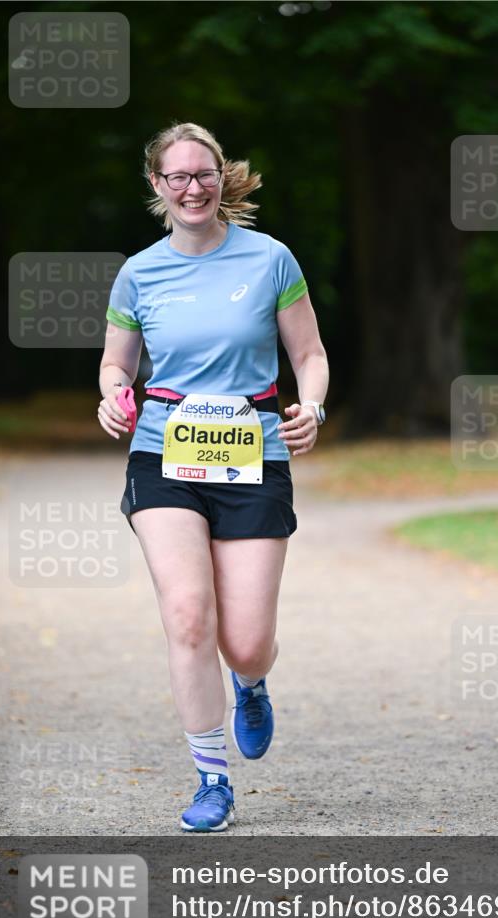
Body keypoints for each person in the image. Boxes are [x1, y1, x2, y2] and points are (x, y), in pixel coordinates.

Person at [97, 122, 329, 832]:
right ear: (157, 185)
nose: (192, 188)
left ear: (220, 176)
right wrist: (113, 396)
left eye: (203, 174)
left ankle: (250, 683)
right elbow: (116, 364)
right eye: (178, 176)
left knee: (246, 641)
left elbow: (310, 354)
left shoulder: (270, 259)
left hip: (253, 455)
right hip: (164, 455)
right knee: (188, 614)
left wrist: (312, 406)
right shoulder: (140, 272)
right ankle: (212, 780)